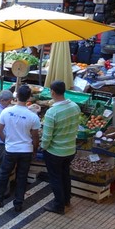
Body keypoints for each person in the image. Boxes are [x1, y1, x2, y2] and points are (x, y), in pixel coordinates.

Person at [0, 85, 41, 212]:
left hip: (11, 149)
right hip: (26, 150)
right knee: (22, 177)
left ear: (16, 96)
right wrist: (34, 150)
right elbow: (35, 137)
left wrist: (6, 141)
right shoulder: (33, 116)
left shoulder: (6, 112)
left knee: (4, 174)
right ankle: (18, 203)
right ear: (29, 97)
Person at [41, 80, 81, 214]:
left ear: (52, 92)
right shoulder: (75, 106)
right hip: (70, 150)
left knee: (55, 178)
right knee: (65, 175)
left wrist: (43, 147)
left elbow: (47, 137)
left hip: (55, 152)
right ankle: (66, 199)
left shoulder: (52, 112)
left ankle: (58, 205)